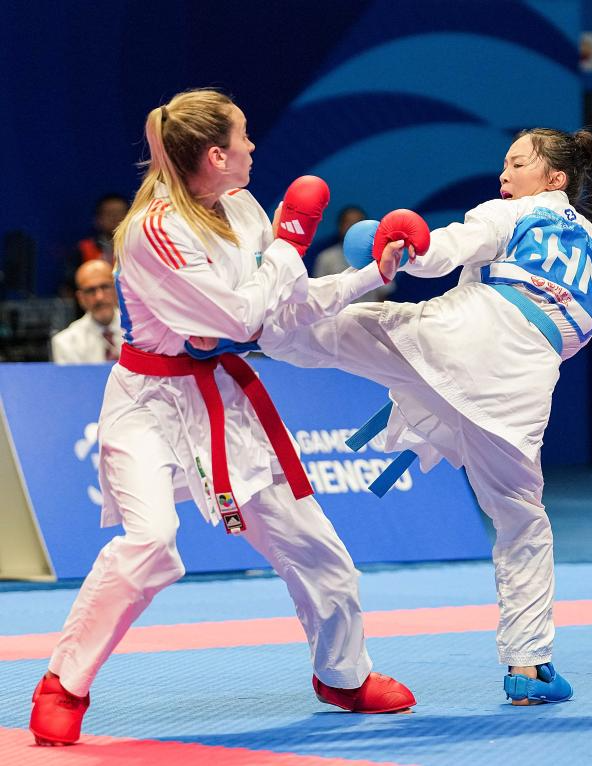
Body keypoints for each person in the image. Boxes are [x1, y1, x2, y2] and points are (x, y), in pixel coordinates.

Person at [28, 88, 414, 747]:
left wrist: (367, 275)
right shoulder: (155, 232)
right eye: (244, 136)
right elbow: (236, 317)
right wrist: (290, 243)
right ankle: (62, 684)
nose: (253, 146)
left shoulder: (241, 208)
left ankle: (344, 676)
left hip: (224, 403)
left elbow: (281, 311)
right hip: (149, 404)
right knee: (151, 542)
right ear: (215, 154)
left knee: (317, 549)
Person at [258, 124, 592, 705]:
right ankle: (529, 668)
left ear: (555, 179)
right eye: (505, 163)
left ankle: (238, 315)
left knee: (317, 331)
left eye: (518, 163)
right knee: (522, 522)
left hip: (454, 342)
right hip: (517, 399)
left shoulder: (514, 214)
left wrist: (403, 246)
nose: (505, 173)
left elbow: (447, 249)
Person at [314, 205, 394, 303]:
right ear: (340, 226)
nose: (353, 227)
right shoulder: (326, 257)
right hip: (338, 312)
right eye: (349, 223)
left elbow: (384, 295)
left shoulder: (378, 257)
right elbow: (319, 295)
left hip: (369, 311)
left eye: (358, 223)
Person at [51, 261, 124, 364]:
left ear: (117, 289)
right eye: (90, 290)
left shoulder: (140, 332)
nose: (99, 297)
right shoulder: (66, 342)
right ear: (80, 298)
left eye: (105, 287)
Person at [78, 194, 130, 265]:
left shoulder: (140, 247)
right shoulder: (83, 249)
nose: (116, 218)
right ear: (98, 219)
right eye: (109, 214)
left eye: (121, 213)